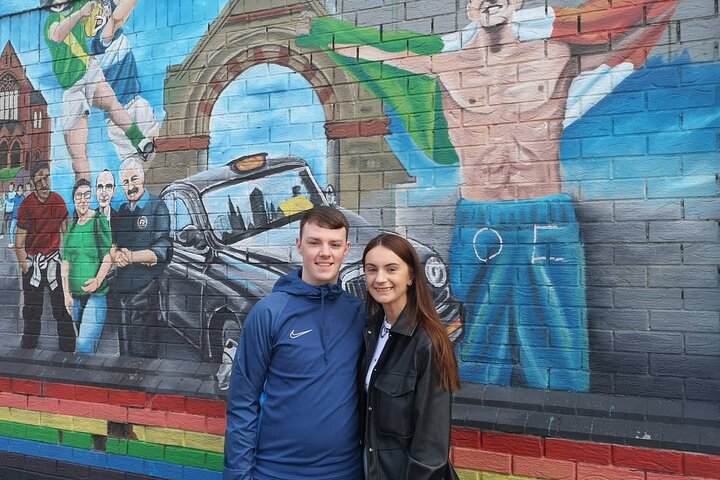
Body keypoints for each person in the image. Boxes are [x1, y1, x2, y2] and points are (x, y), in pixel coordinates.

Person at [308, 0, 678, 391]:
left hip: (544, 214)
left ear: (518, 4)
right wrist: (325, 33)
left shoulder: (555, 55)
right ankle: (470, 413)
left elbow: (627, 38)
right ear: (469, 8)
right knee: (474, 334)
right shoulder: (446, 64)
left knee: (557, 331)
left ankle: (563, 411)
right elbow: (373, 51)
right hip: (479, 216)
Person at [224, 206, 365, 480]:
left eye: (334, 244)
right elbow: (243, 402)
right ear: (299, 245)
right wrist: (238, 475)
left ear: (346, 249)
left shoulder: (358, 314)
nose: (325, 253)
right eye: (314, 243)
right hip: (276, 471)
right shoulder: (269, 313)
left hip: (347, 472)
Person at [361, 233, 460, 480]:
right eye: (372, 269)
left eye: (391, 269)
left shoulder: (428, 343)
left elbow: (431, 448)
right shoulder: (370, 332)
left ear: (411, 276)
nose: (380, 278)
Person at [41, 0, 154, 181]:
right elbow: (58, 34)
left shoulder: (78, 5)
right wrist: (80, 13)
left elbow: (91, 28)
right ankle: (83, 187)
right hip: (72, 86)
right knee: (78, 149)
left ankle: (140, 141)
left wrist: (97, 14)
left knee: (111, 102)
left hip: (89, 70)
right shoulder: (51, 20)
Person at [110, 157, 171, 357]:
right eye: (125, 182)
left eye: (134, 179)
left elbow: (162, 251)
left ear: (143, 177)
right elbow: (114, 244)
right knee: (125, 352)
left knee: (143, 355)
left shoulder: (157, 206)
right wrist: (116, 255)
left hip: (144, 295)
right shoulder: (123, 211)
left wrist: (130, 257)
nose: (130, 186)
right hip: (122, 295)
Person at [14, 162, 76, 352]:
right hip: (33, 263)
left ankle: (68, 349)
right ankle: (28, 349)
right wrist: (27, 269)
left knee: (62, 309)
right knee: (32, 311)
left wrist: (66, 263)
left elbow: (68, 233)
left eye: (46, 178)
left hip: (53, 262)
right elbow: (19, 243)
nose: (44, 184)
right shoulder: (27, 205)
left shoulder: (57, 201)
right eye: (39, 180)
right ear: (33, 183)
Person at [61, 179, 113, 354]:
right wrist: (66, 294)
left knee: (84, 345)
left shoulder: (99, 220)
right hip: (75, 298)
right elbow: (65, 263)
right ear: (73, 199)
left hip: (95, 295)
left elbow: (108, 256)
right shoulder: (71, 229)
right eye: (78, 196)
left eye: (86, 195)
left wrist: (97, 280)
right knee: (81, 345)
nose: (82, 200)